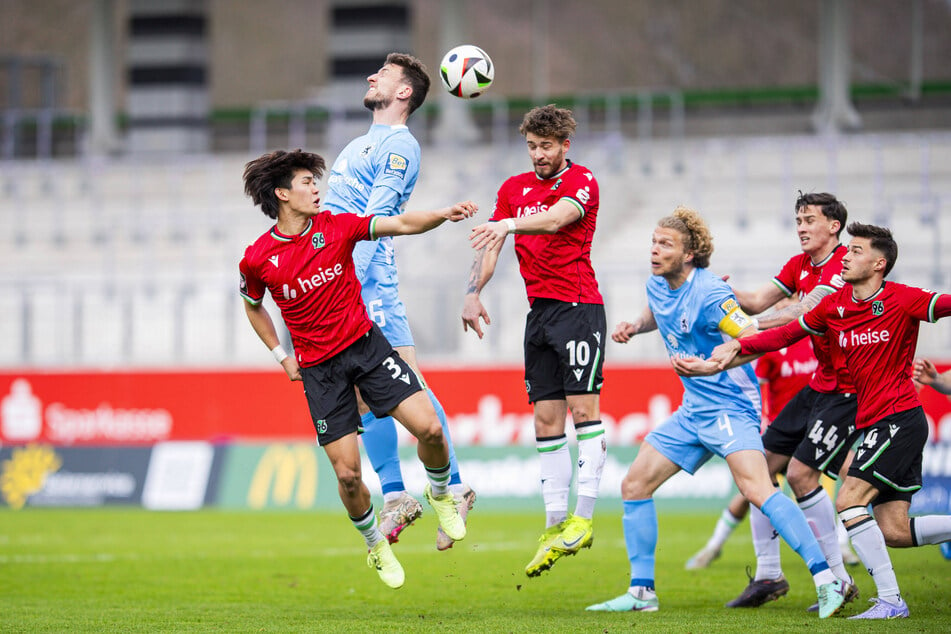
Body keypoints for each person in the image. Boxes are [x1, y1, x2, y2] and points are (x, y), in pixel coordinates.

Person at [584, 206, 847, 617]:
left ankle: (828, 580)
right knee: (634, 485)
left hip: (730, 406)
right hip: (693, 410)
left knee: (759, 491)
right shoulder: (656, 283)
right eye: (653, 242)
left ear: (689, 254)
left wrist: (711, 365)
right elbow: (659, 309)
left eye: (665, 244)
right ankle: (641, 593)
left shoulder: (710, 293)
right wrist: (636, 326)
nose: (654, 250)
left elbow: (749, 337)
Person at [238, 149, 476, 588]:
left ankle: (441, 495)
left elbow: (400, 224)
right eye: (307, 182)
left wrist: (443, 214)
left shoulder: (336, 225)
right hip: (320, 372)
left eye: (316, 181)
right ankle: (375, 545)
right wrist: (281, 355)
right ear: (282, 194)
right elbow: (253, 306)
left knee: (431, 430)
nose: (316, 188)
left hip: (367, 349)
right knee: (348, 476)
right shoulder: (258, 259)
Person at [696, 222, 951, 619]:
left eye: (856, 251)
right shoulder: (835, 306)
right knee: (893, 530)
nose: (846, 257)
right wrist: (736, 346)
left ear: (879, 263)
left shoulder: (904, 300)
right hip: (873, 420)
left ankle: (890, 601)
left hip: (899, 418)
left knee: (848, 499)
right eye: (846, 250)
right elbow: (785, 335)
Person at [322, 52, 475, 551]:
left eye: (383, 74)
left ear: (404, 92)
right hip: (343, 283)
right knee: (365, 395)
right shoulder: (358, 145)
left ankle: (454, 487)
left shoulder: (400, 147)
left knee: (406, 386)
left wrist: (344, 284)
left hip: (368, 284)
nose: (371, 77)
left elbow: (378, 218)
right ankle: (396, 495)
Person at [463, 104, 607, 578]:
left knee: (584, 411)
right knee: (546, 419)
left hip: (579, 309)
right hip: (540, 314)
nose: (538, 155)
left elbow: (555, 220)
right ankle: (553, 525)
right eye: (532, 146)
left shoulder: (582, 180)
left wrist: (507, 224)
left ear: (565, 145)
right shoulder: (512, 189)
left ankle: (583, 518)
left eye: (546, 146)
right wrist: (473, 292)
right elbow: (491, 244)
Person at [711, 192, 858, 610]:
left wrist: (746, 328)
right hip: (820, 384)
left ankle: (840, 579)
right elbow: (757, 301)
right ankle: (769, 574)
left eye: (809, 219)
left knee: (804, 476)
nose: (801, 227)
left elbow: (802, 313)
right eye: (797, 220)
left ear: (834, 226)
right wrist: (721, 292)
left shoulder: (846, 263)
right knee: (759, 470)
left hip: (850, 388)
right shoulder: (799, 266)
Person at [685, 325, 816, 570]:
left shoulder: (814, 342)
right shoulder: (773, 348)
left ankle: (838, 547)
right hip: (782, 432)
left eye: (788, 300)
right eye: (779, 301)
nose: (781, 305)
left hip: (813, 428)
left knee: (841, 479)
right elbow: (757, 387)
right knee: (752, 491)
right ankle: (714, 545)